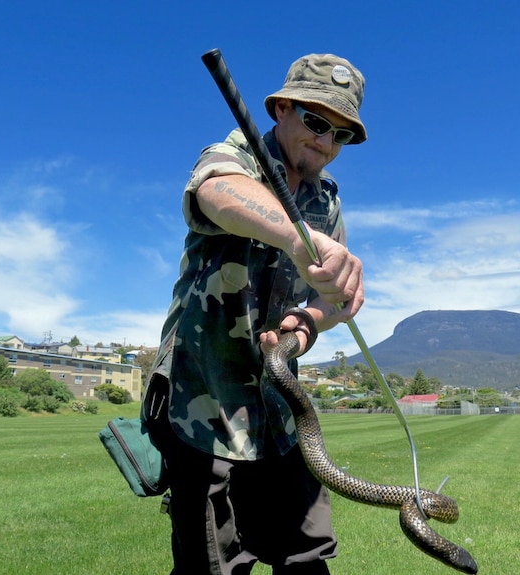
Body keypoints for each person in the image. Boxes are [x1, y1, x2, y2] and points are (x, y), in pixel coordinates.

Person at [143, 54, 368, 574]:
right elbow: (215, 191)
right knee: (215, 566)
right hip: (204, 403)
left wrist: (310, 324)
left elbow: (332, 301)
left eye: (340, 135)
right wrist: (297, 238)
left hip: (280, 409)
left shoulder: (326, 201)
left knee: (307, 559)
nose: (325, 142)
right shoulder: (237, 155)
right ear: (282, 108)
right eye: (316, 122)